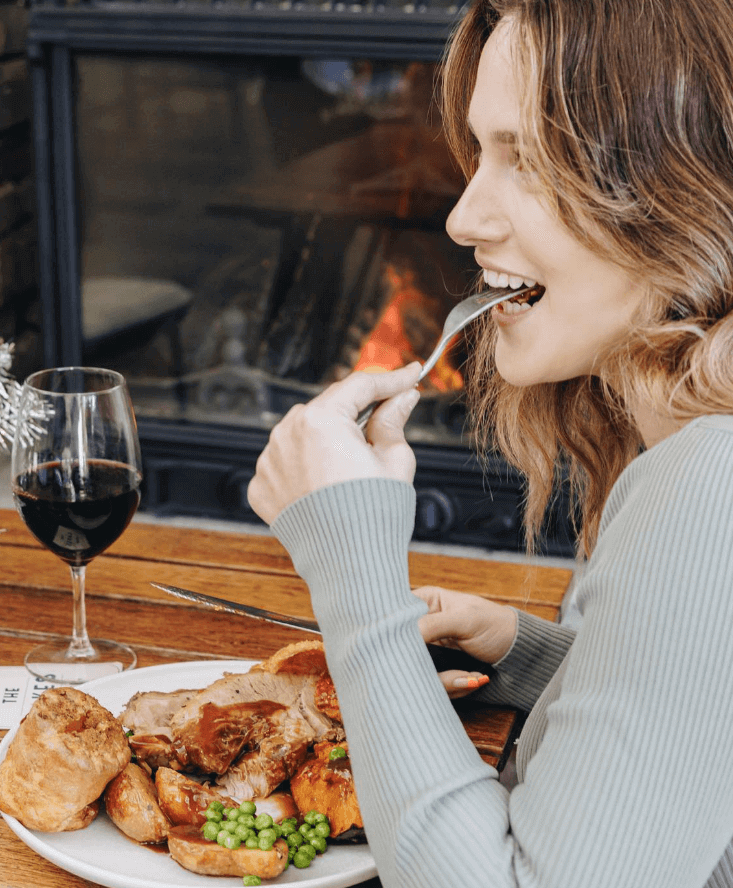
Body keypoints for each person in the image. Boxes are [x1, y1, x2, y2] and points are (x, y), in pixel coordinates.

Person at [246, 1, 733, 885]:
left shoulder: (714, 484)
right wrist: (533, 657)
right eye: (482, 154)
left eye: (531, 160)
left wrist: (356, 576)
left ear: (684, 188)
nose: (464, 218)